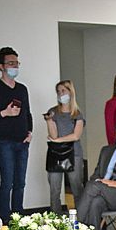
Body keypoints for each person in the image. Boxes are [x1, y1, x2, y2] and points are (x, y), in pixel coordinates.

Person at [0, 47, 32, 221]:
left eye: (16, 63)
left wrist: (30, 132)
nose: (15, 66)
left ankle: (19, 218)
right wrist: (5, 113)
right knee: (7, 182)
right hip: (4, 142)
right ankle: (4, 219)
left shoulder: (22, 89)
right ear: (1, 66)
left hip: (23, 141)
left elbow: (28, 114)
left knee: (20, 182)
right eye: (11, 63)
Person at [45, 80, 86, 214]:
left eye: (63, 90)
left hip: (74, 153)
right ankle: (56, 218)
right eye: (58, 91)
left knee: (76, 188)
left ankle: (80, 217)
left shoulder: (77, 114)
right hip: (55, 153)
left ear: (70, 92)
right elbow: (53, 135)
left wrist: (58, 140)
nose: (60, 94)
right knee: (54, 189)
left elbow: (76, 136)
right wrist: (49, 121)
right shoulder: (53, 112)